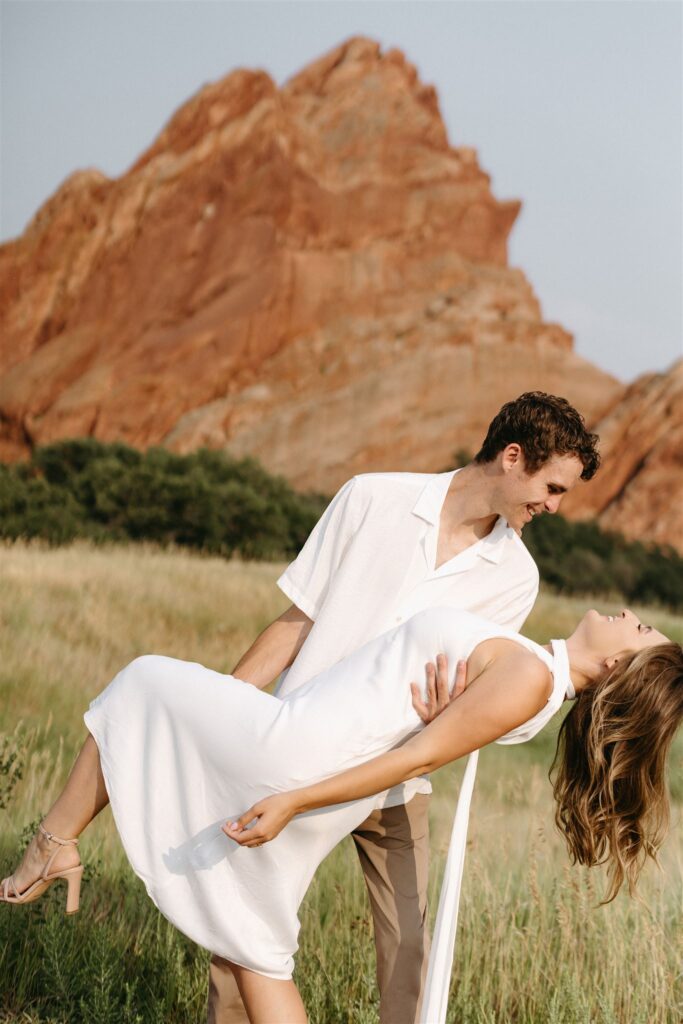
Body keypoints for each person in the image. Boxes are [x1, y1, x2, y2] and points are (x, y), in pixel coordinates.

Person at [2, 607, 681, 1024]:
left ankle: (54, 844)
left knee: (142, 682)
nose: (629, 613)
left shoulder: (532, 678)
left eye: (640, 627)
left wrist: (294, 798)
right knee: (254, 953)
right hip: (307, 754)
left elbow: (417, 758)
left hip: (297, 756)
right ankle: (56, 845)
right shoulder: (533, 668)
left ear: (617, 660)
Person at [206, 390, 599, 1024]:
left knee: (411, 954)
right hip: (299, 753)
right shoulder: (370, 498)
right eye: (551, 487)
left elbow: (472, 700)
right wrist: (223, 709)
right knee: (241, 937)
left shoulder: (516, 578)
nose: (553, 507)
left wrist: (453, 705)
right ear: (513, 456)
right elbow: (295, 623)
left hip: (397, 780)